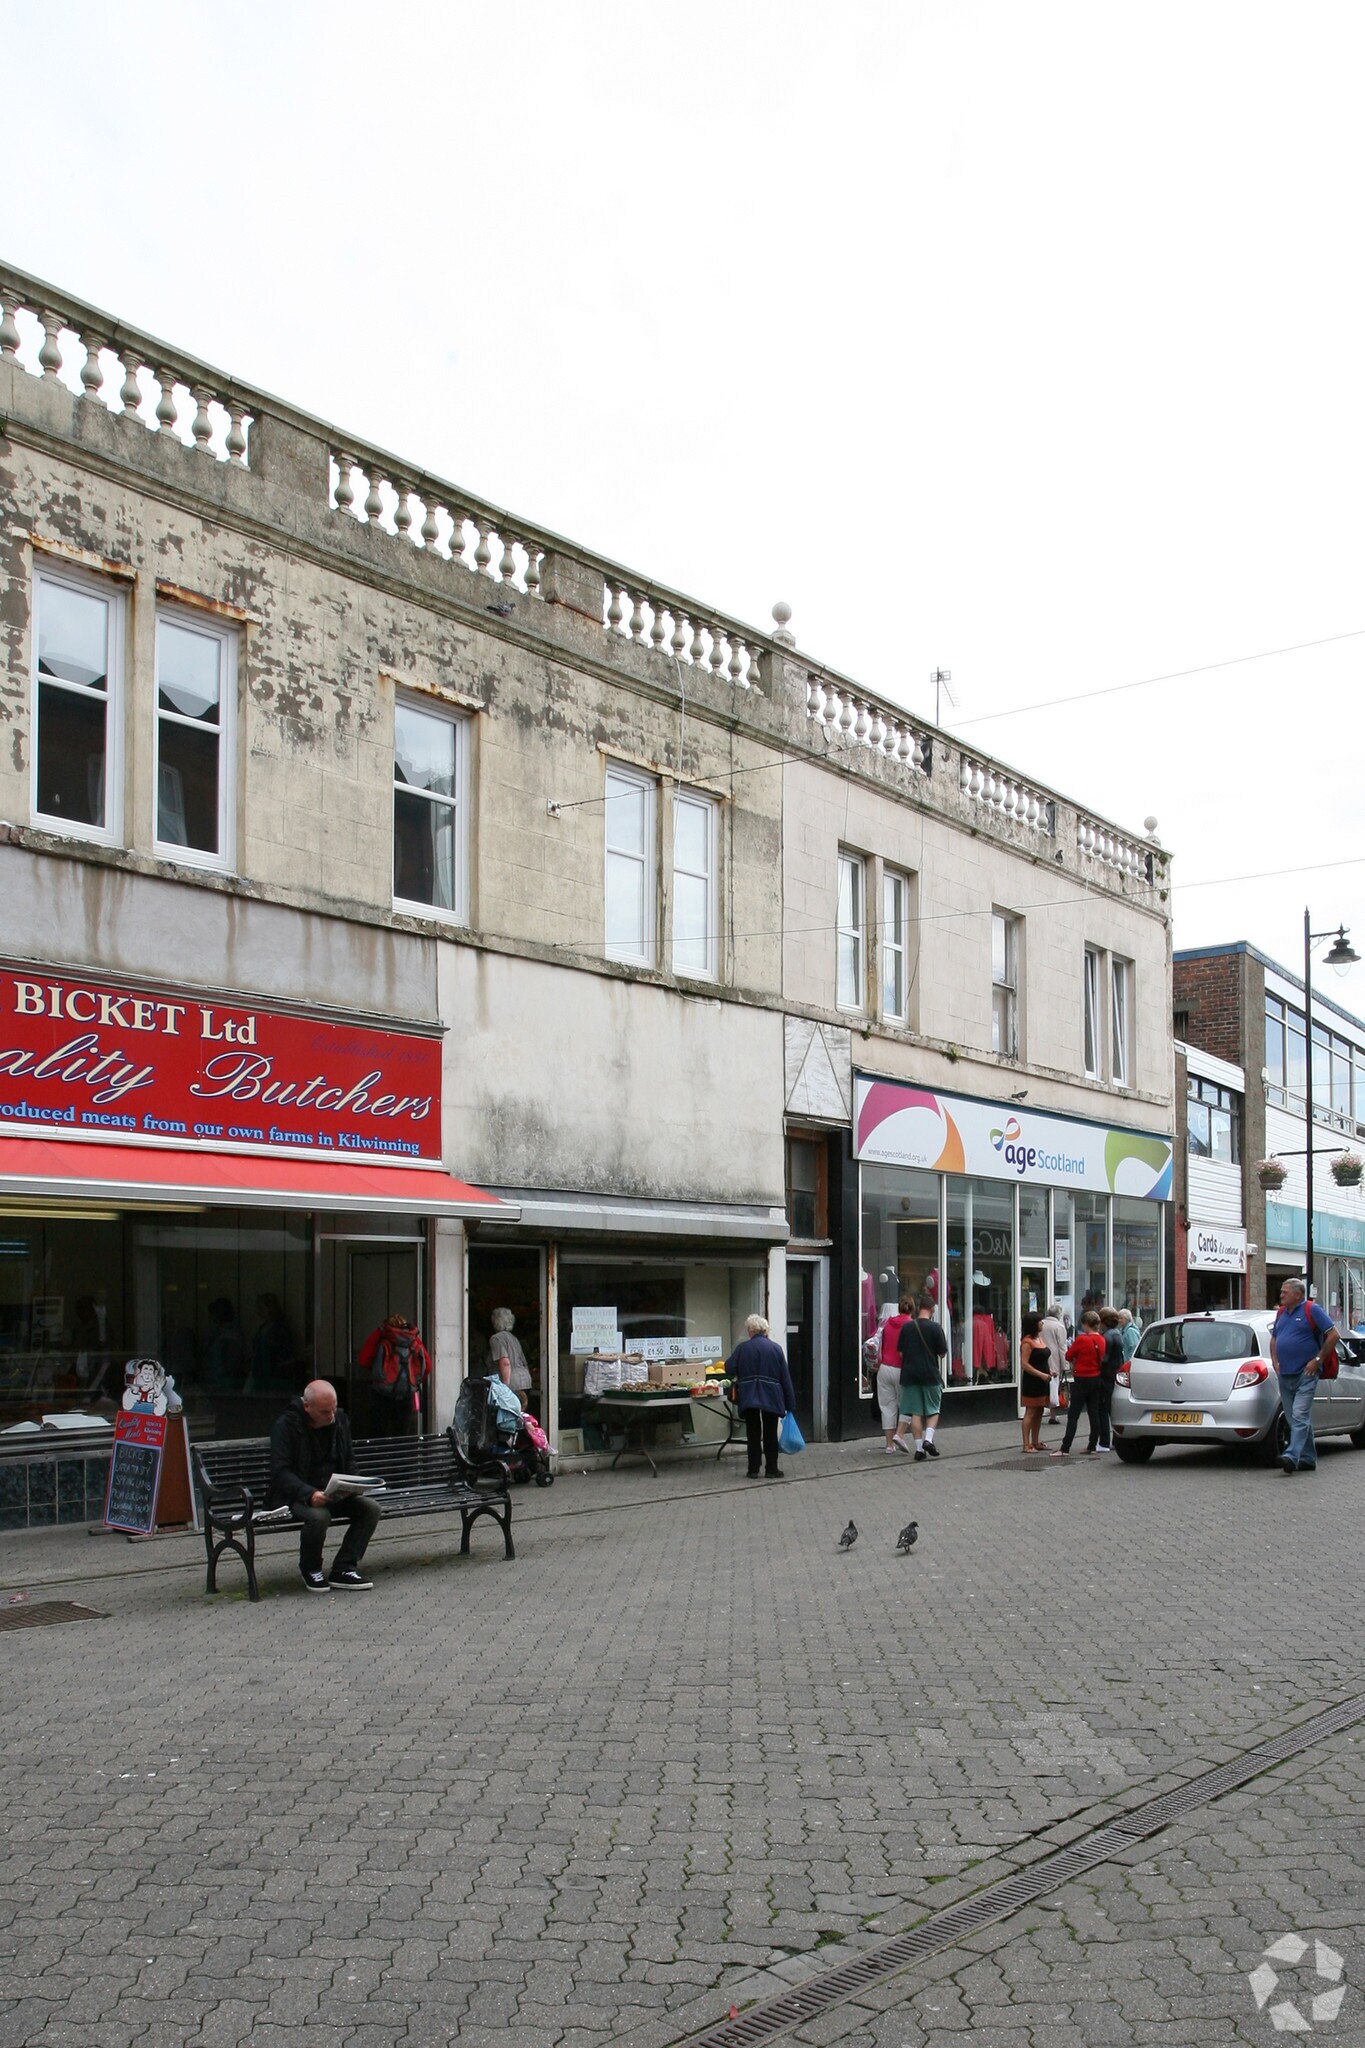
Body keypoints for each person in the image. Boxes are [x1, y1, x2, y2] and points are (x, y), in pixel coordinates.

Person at [267, 1378, 380, 1592]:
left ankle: (344, 1567)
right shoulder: (286, 1426)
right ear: (307, 1406)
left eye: (333, 1409)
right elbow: (280, 1472)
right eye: (324, 1412)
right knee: (319, 1516)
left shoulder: (339, 1420)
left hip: (333, 1492)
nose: (330, 1416)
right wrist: (309, 1494)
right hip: (297, 1495)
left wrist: (354, 1484)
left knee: (370, 1509)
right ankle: (311, 1568)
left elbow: (349, 1459)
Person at [1269, 1277, 1339, 1476]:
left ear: (1297, 1295)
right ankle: (1308, 1459)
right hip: (1285, 1374)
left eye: (1285, 1292)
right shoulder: (1281, 1313)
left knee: (1299, 1415)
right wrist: (1274, 1360)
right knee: (1294, 1418)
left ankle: (1292, 1455)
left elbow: (1334, 1335)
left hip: (1306, 1373)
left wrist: (1317, 1359)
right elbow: (1275, 1339)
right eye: (1281, 1291)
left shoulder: (1312, 1310)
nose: (1281, 1294)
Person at [726, 1313, 797, 1479]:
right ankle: (772, 1469)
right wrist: (790, 1403)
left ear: (751, 1330)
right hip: (771, 1395)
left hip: (749, 1395)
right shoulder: (775, 1348)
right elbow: (785, 1378)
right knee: (770, 1432)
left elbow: (729, 1367)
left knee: (753, 1432)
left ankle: (753, 1469)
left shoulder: (743, 1348)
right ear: (765, 1330)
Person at [358, 1313, 431, 1437]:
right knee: (402, 1436)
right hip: (406, 1395)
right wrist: (413, 1381)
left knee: (378, 1435)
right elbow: (427, 1366)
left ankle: (381, 1456)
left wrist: (377, 1370)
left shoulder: (381, 1336)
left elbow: (364, 1360)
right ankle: (400, 1456)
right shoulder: (412, 1339)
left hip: (381, 1395)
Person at [895, 1292, 948, 1458]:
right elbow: (942, 1353)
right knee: (933, 1410)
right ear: (932, 1310)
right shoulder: (935, 1328)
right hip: (930, 1374)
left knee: (915, 1412)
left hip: (910, 1375)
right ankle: (929, 1439)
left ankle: (919, 1449)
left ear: (918, 1309)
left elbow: (901, 1352)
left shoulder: (907, 1327)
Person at [1054, 1310, 1105, 1455]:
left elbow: (1069, 1356)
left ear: (1086, 1324)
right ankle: (1092, 1445)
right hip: (1096, 1378)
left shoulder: (1082, 1339)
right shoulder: (1101, 1339)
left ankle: (1065, 1447)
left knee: (1073, 1414)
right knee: (1093, 1413)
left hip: (1082, 1379)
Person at [877, 1295, 913, 1452]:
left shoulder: (888, 1323)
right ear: (912, 1310)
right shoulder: (911, 1326)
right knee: (907, 1404)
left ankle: (889, 1445)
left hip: (884, 1368)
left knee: (887, 1406)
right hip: (901, 1369)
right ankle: (900, 1435)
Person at [1018, 1311, 1050, 1451]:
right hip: (1033, 1381)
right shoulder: (1027, 1342)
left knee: (1040, 1410)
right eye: (1040, 1321)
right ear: (1033, 1324)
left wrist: (1049, 1372)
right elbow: (1024, 1364)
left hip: (1043, 1380)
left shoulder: (1040, 1339)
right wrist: (1041, 1374)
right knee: (1030, 1411)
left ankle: (1035, 1441)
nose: (1042, 1323)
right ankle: (1026, 1444)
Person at [1096, 1306, 1125, 1452]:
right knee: (1113, 1410)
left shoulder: (1106, 1336)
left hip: (1106, 1375)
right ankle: (1116, 1440)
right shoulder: (1118, 1334)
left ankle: (1104, 1442)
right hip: (1115, 1374)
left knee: (1103, 1409)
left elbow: (1104, 1358)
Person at [488, 1308, 533, 1402]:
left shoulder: (496, 1339)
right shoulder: (514, 1338)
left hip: (511, 1382)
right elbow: (524, 1361)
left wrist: (505, 1387)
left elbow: (505, 1362)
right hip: (525, 1381)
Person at [1039, 1301, 1070, 1424]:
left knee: (1041, 1387)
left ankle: (1038, 1412)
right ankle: (1052, 1416)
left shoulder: (1041, 1324)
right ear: (1059, 1315)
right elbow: (1062, 1348)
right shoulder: (1059, 1327)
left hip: (1039, 1359)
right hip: (1053, 1360)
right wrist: (1065, 1365)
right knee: (1053, 1387)